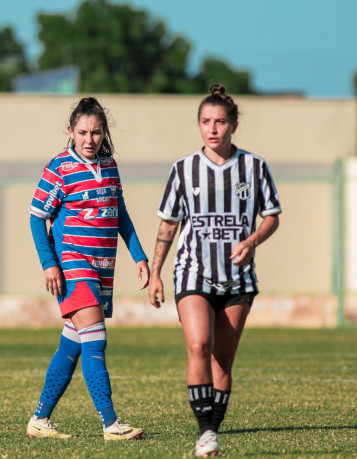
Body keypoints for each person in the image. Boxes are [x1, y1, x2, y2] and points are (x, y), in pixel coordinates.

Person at [147, 85, 281, 457]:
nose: (213, 128)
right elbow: (168, 226)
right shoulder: (184, 169)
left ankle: (213, 427)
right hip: (192, 272)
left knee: (223, 358)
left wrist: (252, 240)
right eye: (206, 121)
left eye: (220, 121)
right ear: (199, 126)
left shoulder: (254, 167)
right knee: (197, 345)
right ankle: (205, 432)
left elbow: (272, 217)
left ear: (233, 125)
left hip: (238, 279)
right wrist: (156, 272)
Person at [27, 97, 150, 441]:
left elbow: (120, 213)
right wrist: (49, 264)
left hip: (102, 266)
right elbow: (37, 218)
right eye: (82, 131)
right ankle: (111, 424)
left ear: (103, 132)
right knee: (96, 341)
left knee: (73, 344)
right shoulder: (59, 167)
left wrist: (139, 256)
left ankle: (39, 421)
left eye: (96, 132)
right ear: (71, 131)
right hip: (72, 263)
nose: (89, 139)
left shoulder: (109, 165)